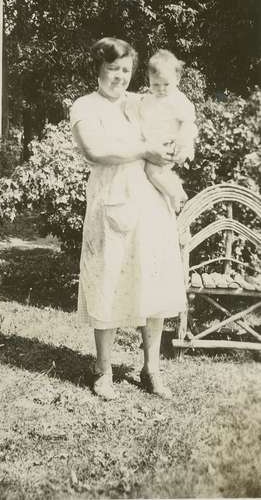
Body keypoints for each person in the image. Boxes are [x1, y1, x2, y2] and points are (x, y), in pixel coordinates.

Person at [70, 37, 186, 401]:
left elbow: (176, 115)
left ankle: (151, 368)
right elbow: (96, 151)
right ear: (97, 69)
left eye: (125, 70)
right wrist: (145, 149)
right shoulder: (85, 106)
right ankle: (103, 369)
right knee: (106, 280)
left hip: (151, 203)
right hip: (111, 201)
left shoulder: (141, 102)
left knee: (153, 282)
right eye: (112, 69)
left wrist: (179, 145)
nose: (119, 77)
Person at [136, 49, 197, 213]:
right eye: (155, 84)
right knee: (150, 172)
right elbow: (141, 117)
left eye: (166, 84)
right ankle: (175, 188)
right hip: (154, 143)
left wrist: (181, 144)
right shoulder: (148, 99)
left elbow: (187, 122)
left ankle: (174, 193)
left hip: (170, 144)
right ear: (149, 80)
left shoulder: (177, 99)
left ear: (177, 79)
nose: (161, 89)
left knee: (152, 171)